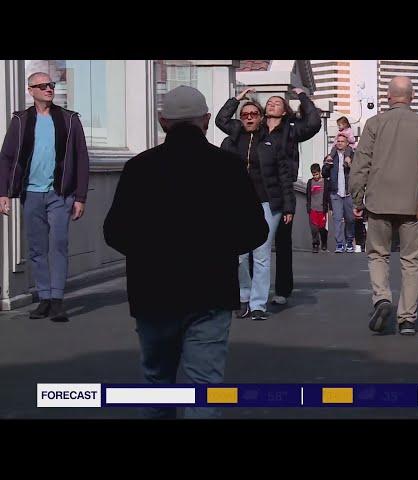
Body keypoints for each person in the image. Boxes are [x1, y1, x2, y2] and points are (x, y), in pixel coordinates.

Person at [103, 86, 268, 419]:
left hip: (153, 290)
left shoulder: (139, 167)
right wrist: (218, 249)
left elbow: (114, 231)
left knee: (156, 383)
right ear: (206, 121)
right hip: (211, 289)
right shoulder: (228, 167)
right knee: (204, 387)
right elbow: (256, 230)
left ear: (163, 122)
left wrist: (148, 253)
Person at [0, 72, 89, 322]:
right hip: (31, 193)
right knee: (38, 249)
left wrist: (80, 197)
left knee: (58, 245)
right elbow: (6, 157)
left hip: (60, 194)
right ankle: (44, 298)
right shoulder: (21, 121)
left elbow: (82, 158)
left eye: (51, 85)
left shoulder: (69, 120)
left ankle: (58, 300)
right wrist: (3, 193)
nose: (49, 89)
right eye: (43, 86)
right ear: (31, 91)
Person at [350, 76, 418, 336]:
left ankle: (382, 299)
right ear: (411, 97)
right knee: (411, 260)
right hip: (412, 204)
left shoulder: (375, 124)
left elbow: (361, 162)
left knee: (378, 254)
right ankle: (407, 318)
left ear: (389, 97)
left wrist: (357, 198)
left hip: (379, 201)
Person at [216, 89, 295, 320]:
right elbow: (221, 118)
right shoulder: (232, 137)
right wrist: (237, 99)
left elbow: (284, 176)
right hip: (237, 204)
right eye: (245, 114)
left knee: (261, 255)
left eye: (254, 114)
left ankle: (258, 304)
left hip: (267, 204)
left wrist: (289, 207)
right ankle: (244, 296)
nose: (249, 117)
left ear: (261, 118)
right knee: (239, 255)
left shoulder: (272, 142)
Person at [262, 90, 321, 306]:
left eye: (277, 102)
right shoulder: (257, 128)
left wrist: (304, 98)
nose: (272, 104)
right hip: (258, 189)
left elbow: (314, 123)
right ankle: (250, 290)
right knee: (252, 241)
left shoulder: (291, 128)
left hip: (282, 189)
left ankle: (282, 290)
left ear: (285, 110)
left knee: (282, 241)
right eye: (269, 102)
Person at [322, 133, 356, 253]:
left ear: (347, 143)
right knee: (337, 219)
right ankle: (339, 243)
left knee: (350, 219)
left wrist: (351, 165)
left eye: (342, 141)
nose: (340, 143)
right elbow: (324, 174)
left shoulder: (352, 155)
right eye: (338, 141)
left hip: (348, 192)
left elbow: (358, 172)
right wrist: (327, 165)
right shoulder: (331, 156)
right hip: (335, 193)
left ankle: (349, 241)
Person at [306, 163, 329, 253]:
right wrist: (308, 206)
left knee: (322, 228)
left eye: (317, 174)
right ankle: (315, 244)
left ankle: (324, 242)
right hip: (313, 209)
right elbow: (308, 195)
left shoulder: (325, 182)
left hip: (322, 209)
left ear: (320, 172)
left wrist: (329, 208)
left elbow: (328, 196)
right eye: (313, 174)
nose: (315, 176)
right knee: (314, 229)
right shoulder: (310, 182)